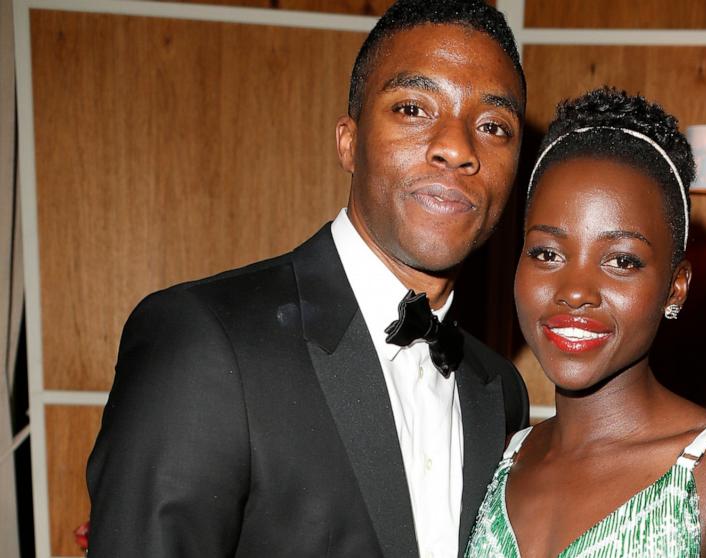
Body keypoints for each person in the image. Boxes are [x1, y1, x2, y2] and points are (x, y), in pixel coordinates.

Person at [86, 1, 529, 556]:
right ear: (348, 141)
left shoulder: (499, 392)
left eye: (493, 126)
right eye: (414, 108)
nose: (458, 147)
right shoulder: (204, 340)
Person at [466, 88, 706, 557]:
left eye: (621, 261)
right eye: (547, 253)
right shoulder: (490, 462)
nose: (575, 291)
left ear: (676, 286)